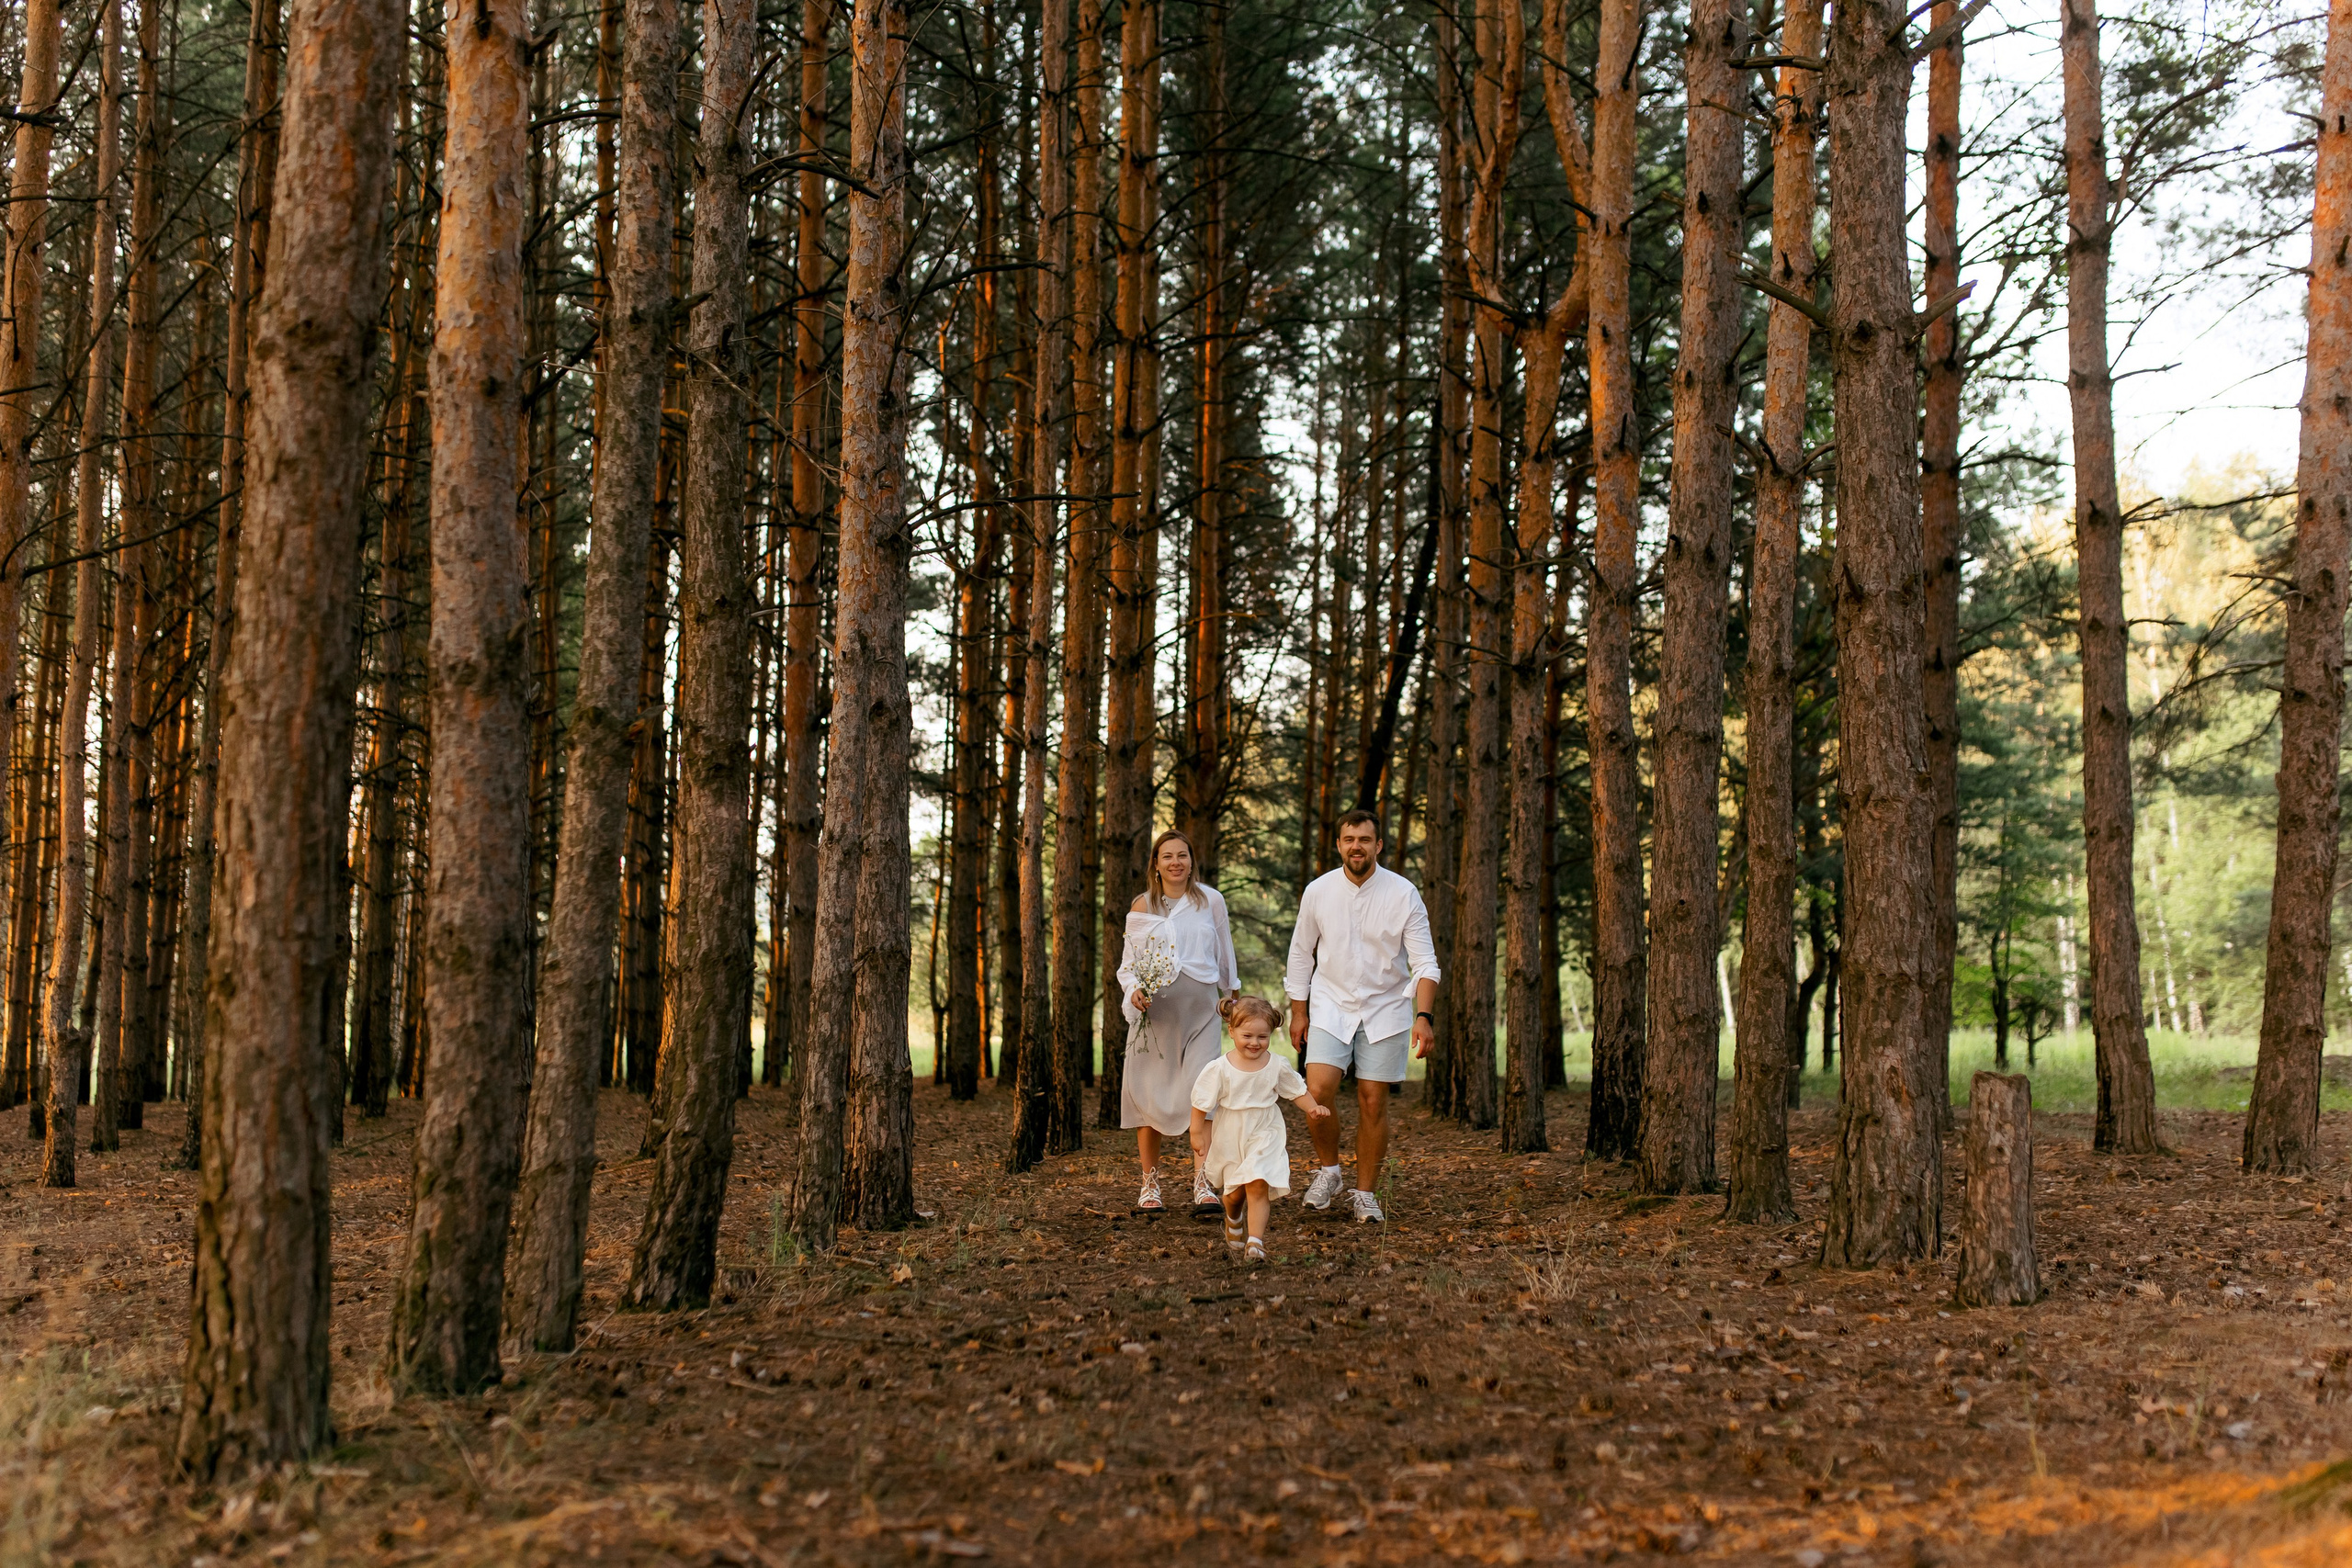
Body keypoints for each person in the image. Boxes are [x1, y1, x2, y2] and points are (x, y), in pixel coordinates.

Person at [1284, 809, 1441, 1223]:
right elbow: (1301, 953)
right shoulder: (1318, 891)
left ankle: (1365, 1193)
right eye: (1349, 839)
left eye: (1365, 839)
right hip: (1330, 1005)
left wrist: (1423, 1016)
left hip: (1385, 1009)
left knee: (1373, 1101)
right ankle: (1330, 1170)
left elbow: (1425, 963)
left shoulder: (1404, 893)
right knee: (1317, 1091)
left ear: (1378, 845)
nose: (1357, 846)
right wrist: (1298, 1011)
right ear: (1339, 845)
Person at [1115, 829, 1238, 1213]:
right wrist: (1134, 990)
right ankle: (1150, 1185)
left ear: (1191, 861)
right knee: (1146, 1094)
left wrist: (1231, 997)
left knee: (1205, 1095)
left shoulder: (1211, 901)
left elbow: (1224, 953)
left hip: (1202, 1012)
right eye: (1167, 856)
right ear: (1156, 864)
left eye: (1182, 855)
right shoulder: (1141, 906)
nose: (1175, 862)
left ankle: (1203, 1183)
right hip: (1156, 1016)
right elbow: (1128, 966)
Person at [1188, 994, 1330, 1261]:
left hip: (1266, 1130)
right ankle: (1233, 1217)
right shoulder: (1219, 1068)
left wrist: (1312, 1106)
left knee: (1257, 1183)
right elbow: (1200, 1102)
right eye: (1248, 1036)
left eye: (1262, 1037)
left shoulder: (1276, 1064)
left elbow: (1295, 1090)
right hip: (1230, 1132)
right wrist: (1196, 1132)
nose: (1255, 1043)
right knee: (1233, 1194)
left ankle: (1256, 1242)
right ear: (1231, 1031)